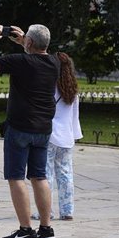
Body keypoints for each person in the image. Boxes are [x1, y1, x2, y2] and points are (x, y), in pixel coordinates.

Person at [0, 20, 60, 238]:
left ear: (30, 42)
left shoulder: (21, 62)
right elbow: (37, 52)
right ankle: (45, 229)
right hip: (43, 129)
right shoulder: (53, 63)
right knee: (39, 176)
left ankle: (25, 230)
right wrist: (25, 40)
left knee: (16, 177)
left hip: (20, 127)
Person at [33, 52, 83, 221]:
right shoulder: (72, 90)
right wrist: (75, 135)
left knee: (45, 175)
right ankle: (67, 210)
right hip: (66, 138)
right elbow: (74, 117)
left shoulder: (48, 87)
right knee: (66, 174)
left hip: (48, 135)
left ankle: (45, 211)